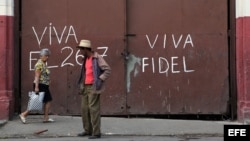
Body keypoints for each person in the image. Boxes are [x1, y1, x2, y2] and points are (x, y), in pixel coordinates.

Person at [76, 39, 111, 139]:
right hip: (85, 86)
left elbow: (107, 70)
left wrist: (100, 79)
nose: (80, 51)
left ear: (86, 49)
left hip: (94, 86)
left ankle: (96, 132)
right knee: (84, 109)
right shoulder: (85, 58)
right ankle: (87, 130)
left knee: (93, 109)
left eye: (81, 49)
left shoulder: (96, 58)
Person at [19, 48, 54, 124]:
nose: (47, 57)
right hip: (40, 85)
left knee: (47, 101)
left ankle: (46, 117)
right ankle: (24, 114)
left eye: (48, 56)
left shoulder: (43, 64)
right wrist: (36, 87)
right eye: (46, 56)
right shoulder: (39, 64)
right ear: (41, 56)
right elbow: (37, 76)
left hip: (44, 85)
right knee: (36, 101)